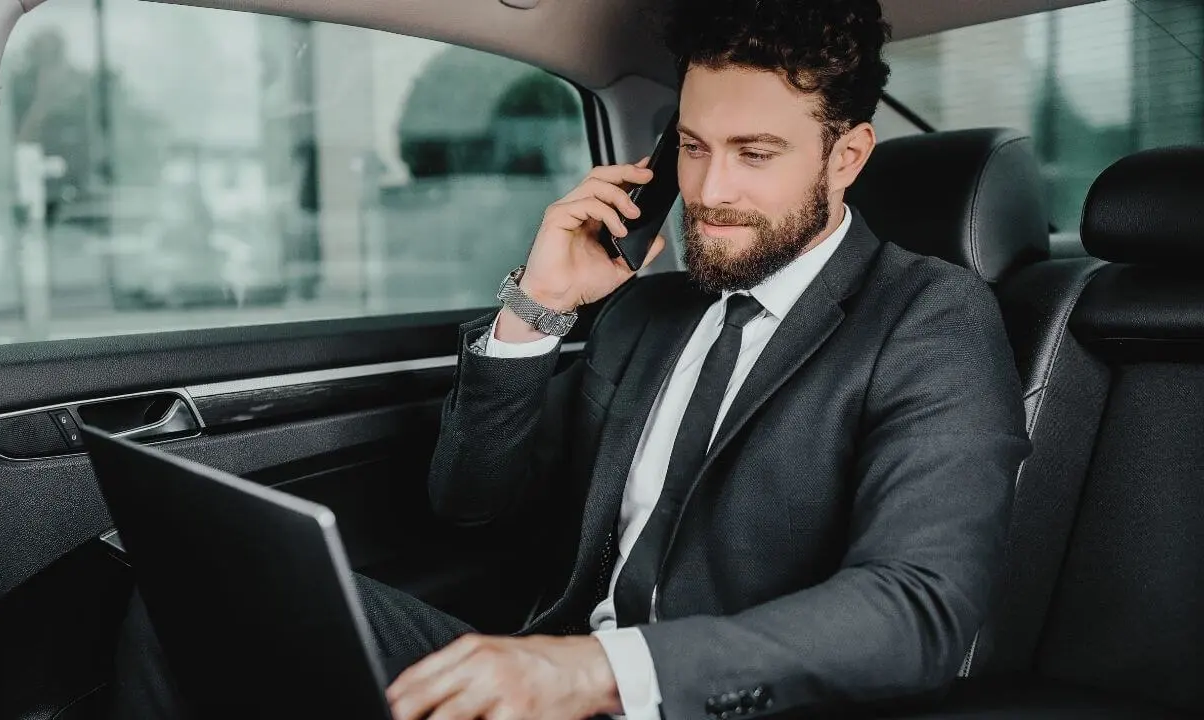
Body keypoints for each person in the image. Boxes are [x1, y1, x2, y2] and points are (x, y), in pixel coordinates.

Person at [109, 1, 1029, 718]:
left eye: (756, 153)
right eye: (695, 148)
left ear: (848, 157)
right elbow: (470, 504)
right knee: (192, 601)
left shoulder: (928, 317)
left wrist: (597, 672)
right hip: (550, 668)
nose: (710, 191)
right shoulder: (651, 314)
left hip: (705, 701)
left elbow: (919, 613)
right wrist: (538, 306)